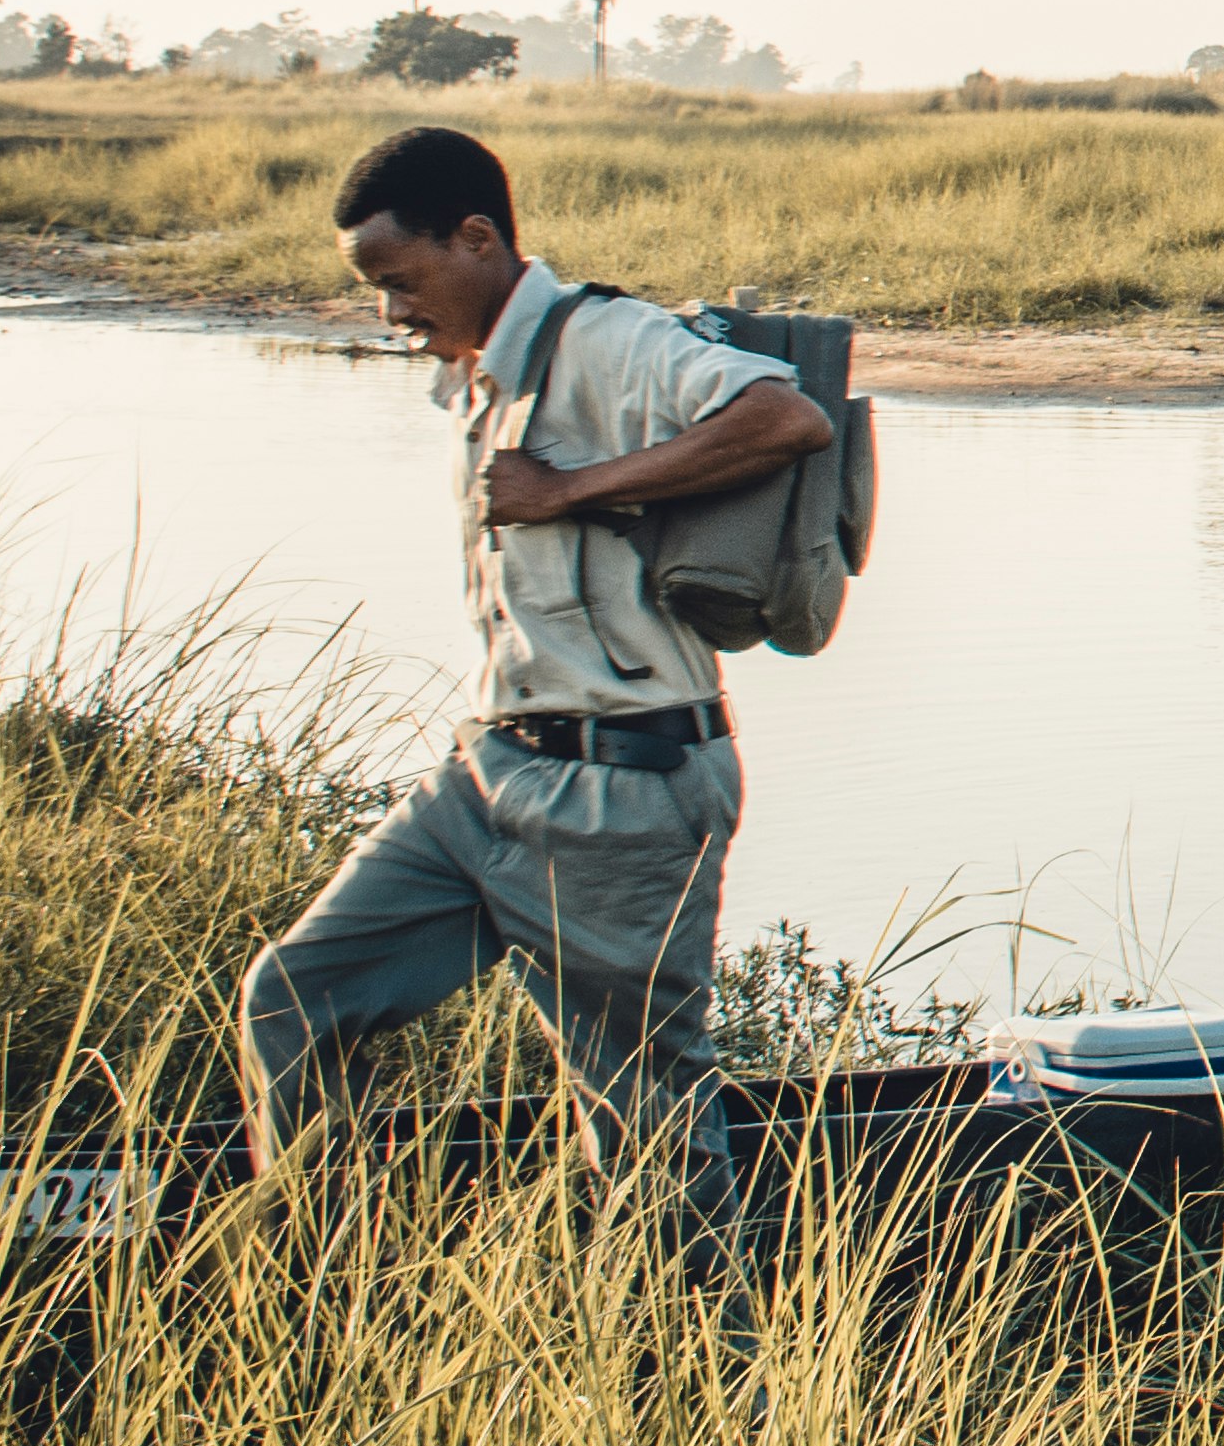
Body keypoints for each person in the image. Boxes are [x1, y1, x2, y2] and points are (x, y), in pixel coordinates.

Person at [240, 122, 832, 1242]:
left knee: (646, 1127)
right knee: (293, 999)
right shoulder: (478, 373)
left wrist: (573, 491)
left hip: (626, 787)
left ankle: (715, 1377)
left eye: (400, 282)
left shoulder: (608, 340)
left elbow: (783, 413)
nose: (391, 312)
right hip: (486, 776)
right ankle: (324, 1286)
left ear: (477, 240)